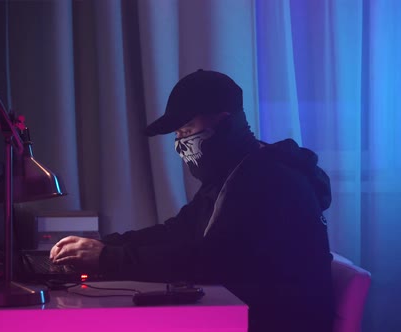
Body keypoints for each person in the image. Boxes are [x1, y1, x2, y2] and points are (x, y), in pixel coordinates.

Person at [49, 69, 334, 332]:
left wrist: (106, 258)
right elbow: (178, 230)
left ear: (224, 123)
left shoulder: (268, 180)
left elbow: (208, 261)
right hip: (245, 316)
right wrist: (107, 245)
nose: (180, 142)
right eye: (177, 134)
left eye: (186, 129)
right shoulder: (235, 172)